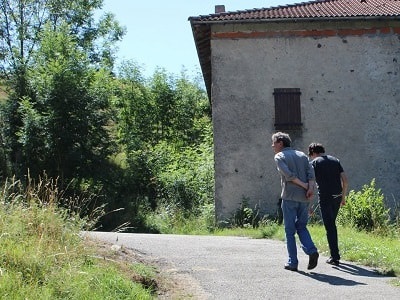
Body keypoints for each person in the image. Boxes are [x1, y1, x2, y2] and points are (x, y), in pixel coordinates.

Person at [271, 132, 319, 271]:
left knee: (289, 231)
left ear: (280, 142)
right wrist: (309, 189)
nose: (272, 145)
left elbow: (289, 176)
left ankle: (293, 262)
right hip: (304, 198)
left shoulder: (279, 156)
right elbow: (311, 174)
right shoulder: (302, 155)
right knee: (302, 227)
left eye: (274, 142)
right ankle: (311, 250)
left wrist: (305, 186)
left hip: (289, 197)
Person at [308, 142, 348, 266]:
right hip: (337, 197)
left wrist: (308, 204)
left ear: (313, 153)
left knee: (330, 226)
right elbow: (345, 180)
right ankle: (334, 254)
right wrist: (343, 197)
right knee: (332, 225)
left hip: (325, 198)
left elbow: (311, 183)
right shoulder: (335, 160)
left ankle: (335, 257)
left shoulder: (314, 163)